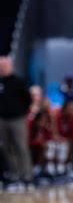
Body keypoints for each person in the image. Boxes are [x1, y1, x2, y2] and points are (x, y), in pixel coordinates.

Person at [0, 55, 34, 191]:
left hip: (17, 119)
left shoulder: (18, 81)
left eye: (5, 65)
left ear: (10, 66)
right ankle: (15, 174)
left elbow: (28, 99)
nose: (3, 68)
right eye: (1, 66)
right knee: (7, 148)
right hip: (2, 120)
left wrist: (22, 112)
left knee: (21, 146)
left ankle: (27, 176)